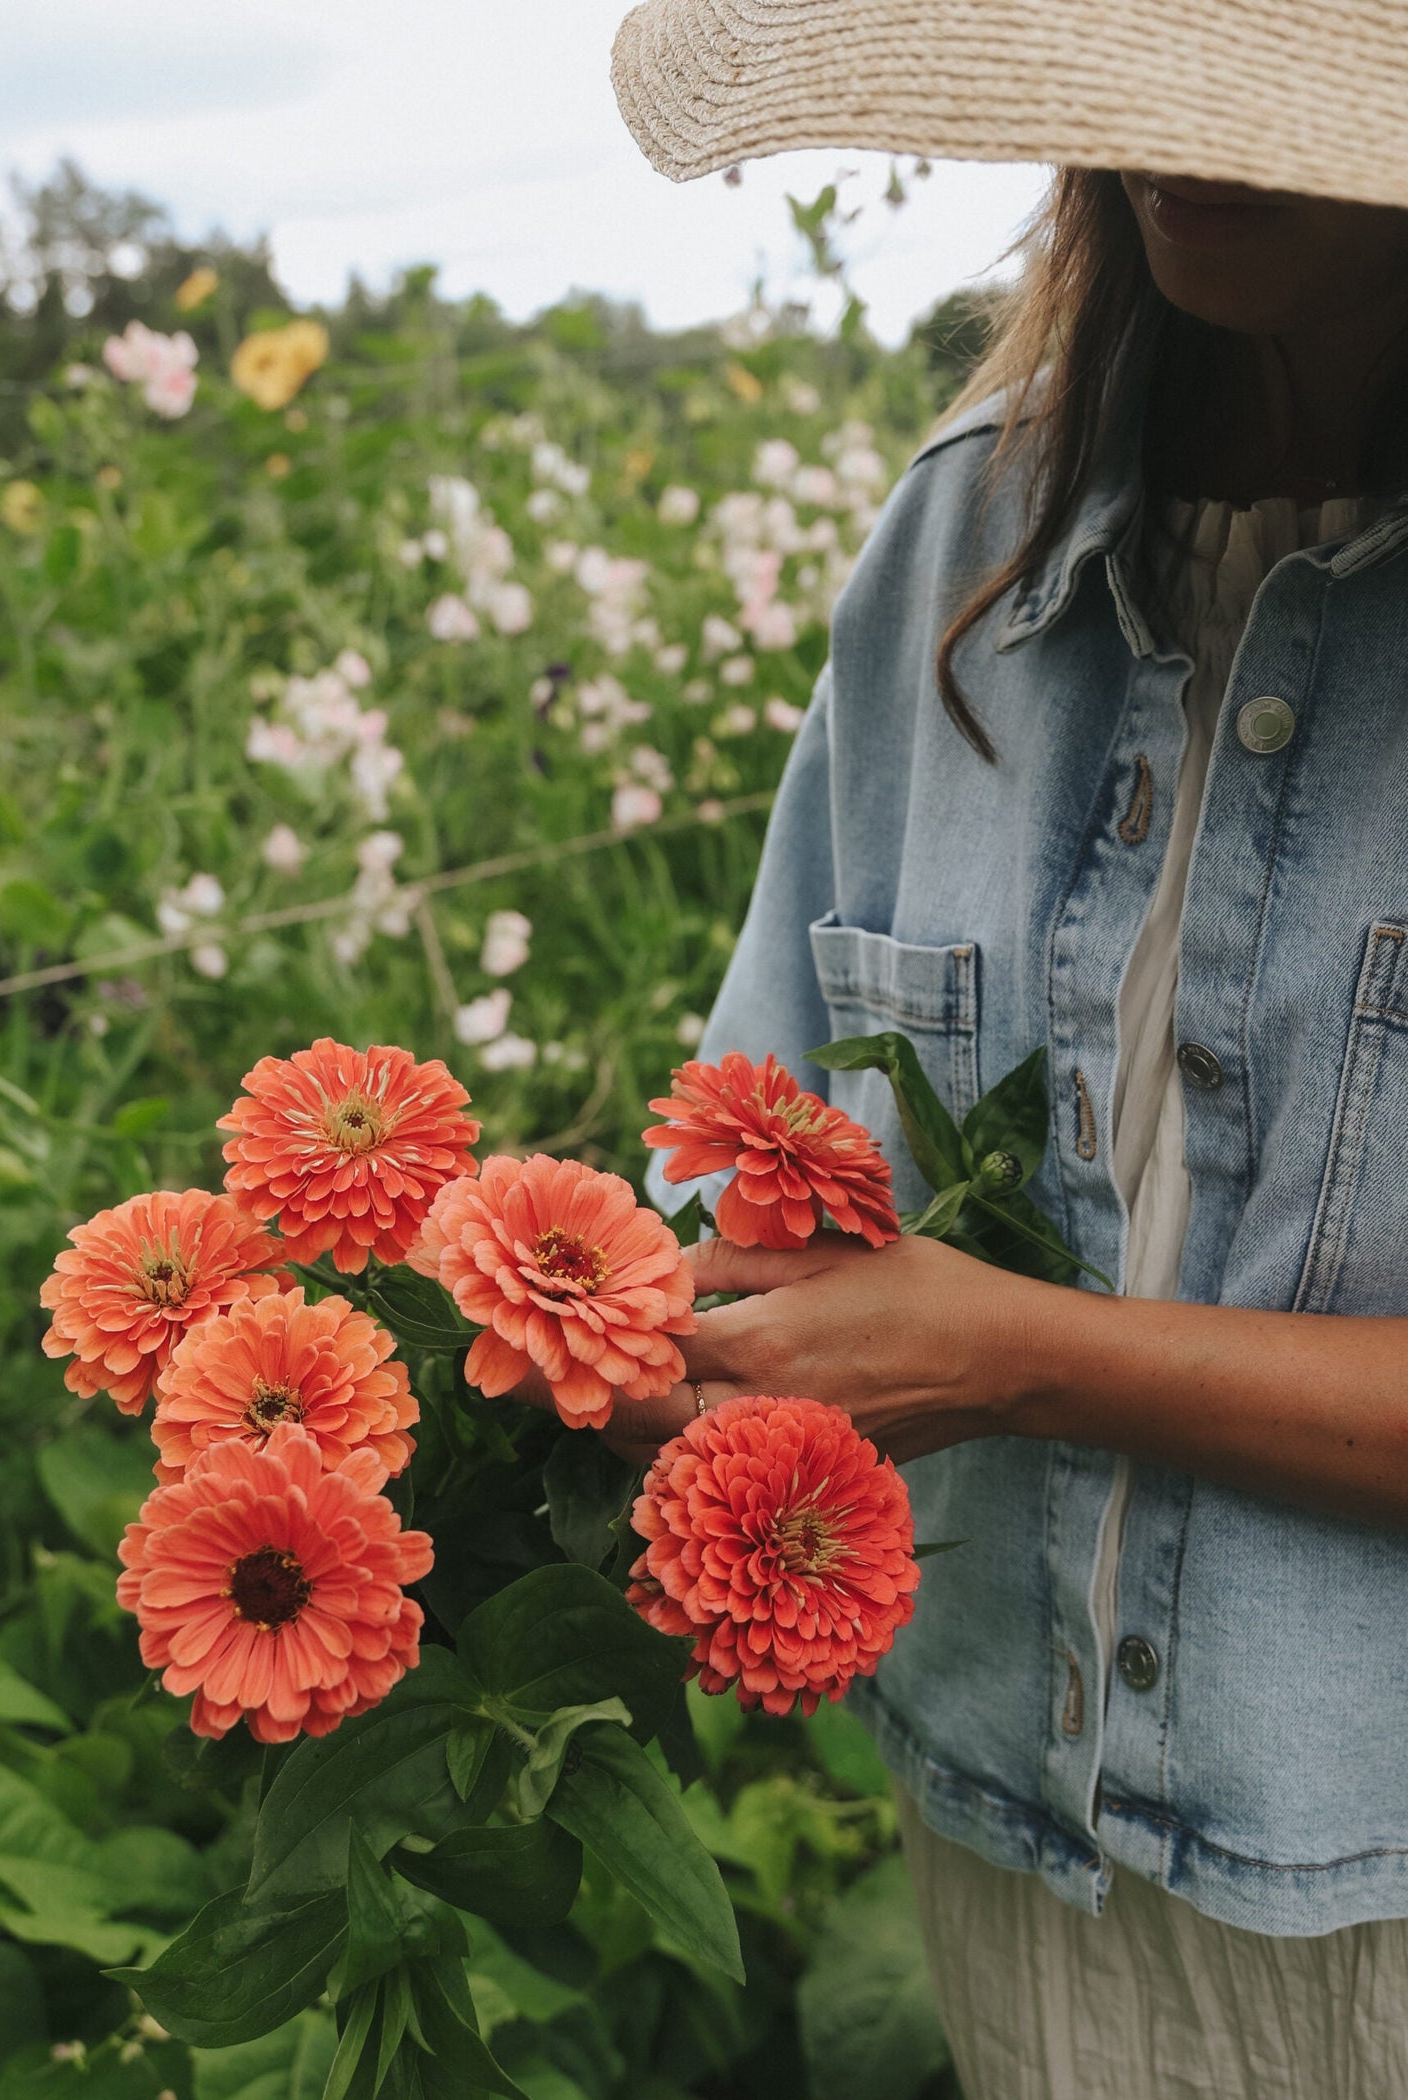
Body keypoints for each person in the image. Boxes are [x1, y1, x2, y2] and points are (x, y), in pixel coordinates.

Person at [531, 3, 1408, 2093]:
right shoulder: (958, 553)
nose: (1184, 135)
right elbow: (756, 1113)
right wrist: (591, 1337)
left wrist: (1013, 1350)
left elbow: (963, 1329)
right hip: (1021, 1854)